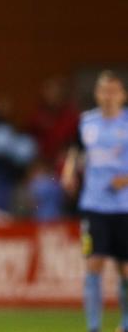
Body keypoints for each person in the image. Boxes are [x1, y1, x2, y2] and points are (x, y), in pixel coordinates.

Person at [61, 70, 128, 332]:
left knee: (125, 270)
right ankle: (94, 328)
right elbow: (75, 151)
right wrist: (68, 171)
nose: (109, 96)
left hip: (124, 207)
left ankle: (124, 324)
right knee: (93, 264)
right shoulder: (87, 122)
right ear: (97, 95)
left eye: (114, 91)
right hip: (94, 205)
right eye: (104, 91)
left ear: (123, 95)